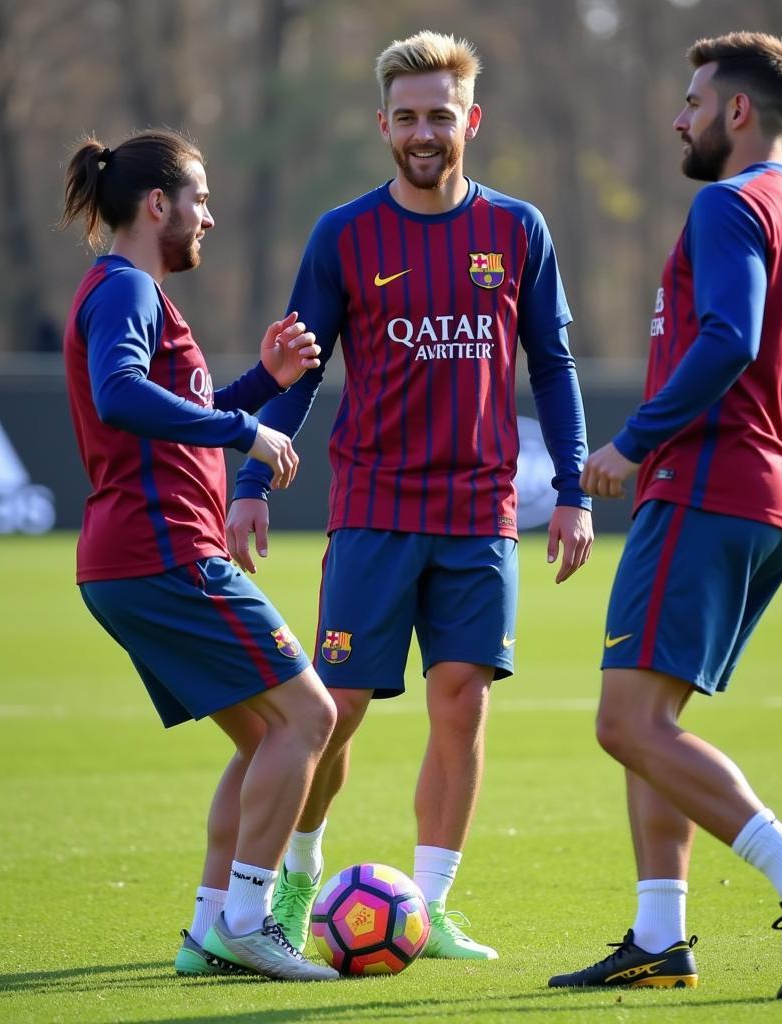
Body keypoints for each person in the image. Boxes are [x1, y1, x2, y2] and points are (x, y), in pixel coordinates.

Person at [226, 30, 594, 960]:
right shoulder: (344, 233)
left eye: (441, 115)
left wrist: (576, 491)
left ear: (470, 120)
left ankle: (428, 911)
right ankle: (302, 870)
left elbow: (552, 364)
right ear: (381, 124)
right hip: (375, 510)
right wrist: (252, 477)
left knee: (463, 702)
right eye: (407, 117)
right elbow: (300, 371)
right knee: (335, 708)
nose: (424, 132)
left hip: (480, 515)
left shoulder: (518, 230)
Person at [547, 32, 782, 999]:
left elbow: (729, 336)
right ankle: (661, 938)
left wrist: (633, 441)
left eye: (693, 100)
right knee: (651, 716)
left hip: (703, 487)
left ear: (738, 112)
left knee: (625, 723)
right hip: (770, 503)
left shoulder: (729, 205)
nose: (680, 117)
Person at [60, 128, 341, 982]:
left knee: (265, 741)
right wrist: (247, 429)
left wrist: (260, 387)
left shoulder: (128, 291)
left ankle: (210, 929)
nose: (208, 217)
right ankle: (251, 922)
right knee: (312, 719)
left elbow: (169, 417)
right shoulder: (124, 289)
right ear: (158, 205)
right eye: (200, 200)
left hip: (133, 562)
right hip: (163, 556)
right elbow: (120, 395)